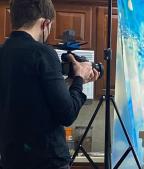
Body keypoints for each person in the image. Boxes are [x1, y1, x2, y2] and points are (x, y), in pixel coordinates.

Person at [0, 0, 99, 169]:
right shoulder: (43, 53)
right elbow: (67, 114)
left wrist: (70, 83)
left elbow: (33, 95)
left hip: (11, 160)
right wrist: (80, 78)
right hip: (47, 161)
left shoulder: (3, 52)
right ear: (45, 23)